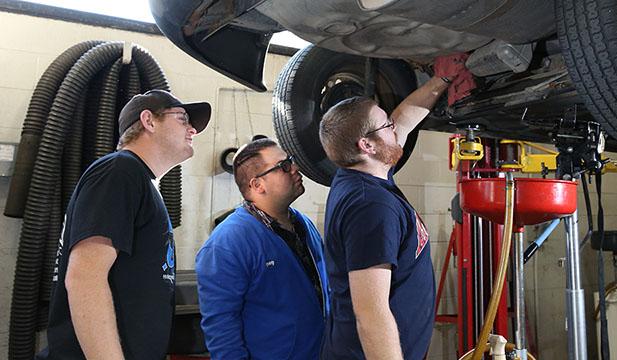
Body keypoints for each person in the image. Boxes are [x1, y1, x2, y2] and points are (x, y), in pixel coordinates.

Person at [36, 89, 211, 360]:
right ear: (149, 121)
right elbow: (84, 278)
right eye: (183, 119)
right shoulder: (119, 171)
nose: (192, 130)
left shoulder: (141, 181)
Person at [318, 54, 472, 359]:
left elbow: (402, 120)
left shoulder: (361, 172)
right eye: (385, 125)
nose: (394, 127)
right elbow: (371, 316)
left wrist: (441, 80)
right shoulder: (371, 208)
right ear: (367, 145)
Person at [196, 138, 330, 359]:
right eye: (284, 166)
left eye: (292, 161)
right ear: (257, 185)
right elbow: (221, 329)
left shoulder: (304, 226)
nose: (295, 168)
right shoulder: (228, 243)